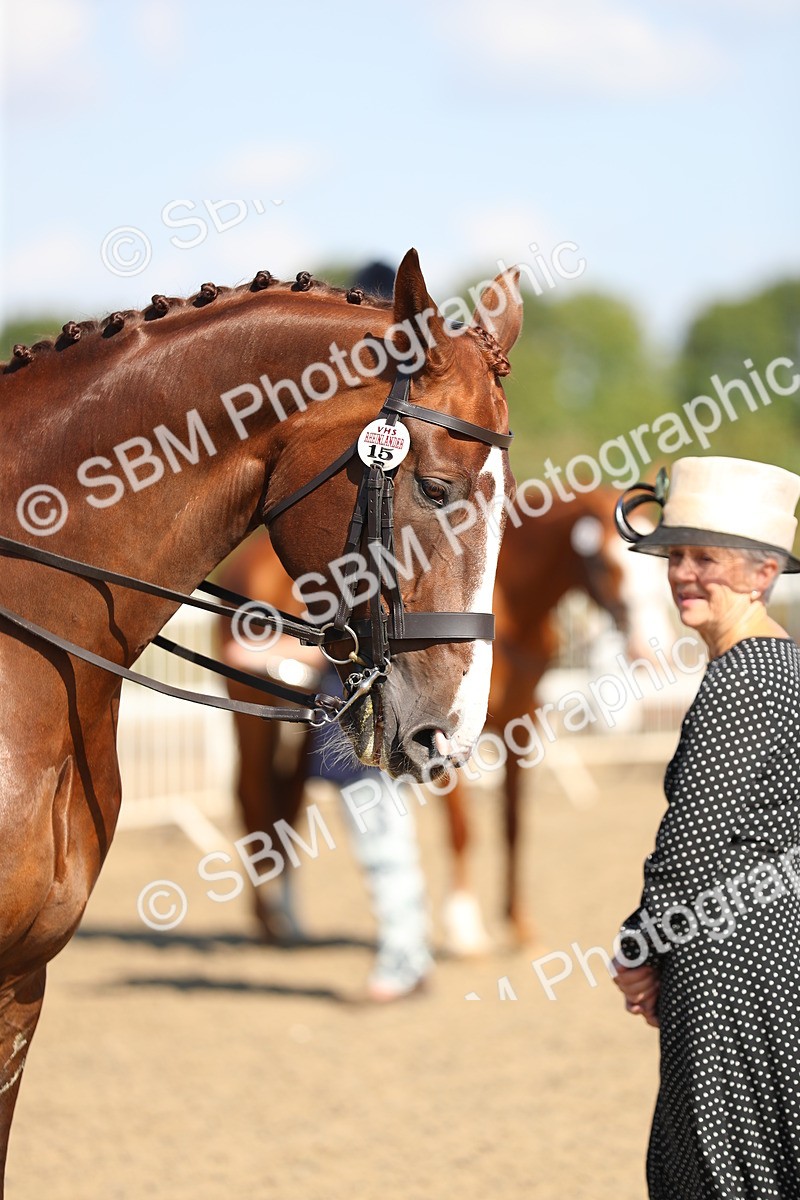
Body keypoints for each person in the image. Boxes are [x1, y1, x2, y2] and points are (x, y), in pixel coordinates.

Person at [611, 456, 800, 1199]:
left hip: (731, 963)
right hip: (770, 949)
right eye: (677, 556)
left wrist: (639, 946)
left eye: (706, 558)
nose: (685, 573)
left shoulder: (744, 676)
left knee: (718, 1168)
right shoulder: (782, 666)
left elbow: (690, 849)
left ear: (762, 574)